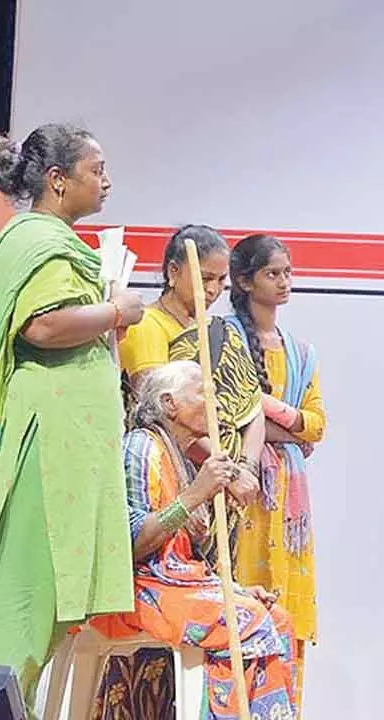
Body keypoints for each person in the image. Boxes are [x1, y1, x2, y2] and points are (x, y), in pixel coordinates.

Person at [0, 123, 145, 708]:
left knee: (40, 608)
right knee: (22, 601)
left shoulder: (38, 239)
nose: (107, 181)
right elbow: (43, 325)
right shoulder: (38, 239)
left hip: (60, 450)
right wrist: (115, 311)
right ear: (58, 180)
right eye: (96, 170)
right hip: (42, 452)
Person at [91, 361, 298, 719]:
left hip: (176, 586)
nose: (215, 404)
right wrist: (196, 494)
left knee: (277, 618)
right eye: (204, 393)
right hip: (137, 589)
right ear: (170, 404)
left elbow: (189, 562)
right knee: (244, 621)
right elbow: (133, 546)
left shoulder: (179, 457)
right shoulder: (141, 447)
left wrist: (237, 589)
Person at [118, 225, 264, 558]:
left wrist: (246, 468)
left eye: (220, 281)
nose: (213, 290)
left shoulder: (220, 331)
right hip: (175, 479)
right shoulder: (148, 325)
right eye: (206, 278)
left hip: (229, 486)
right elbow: (166, 415)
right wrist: (226, 473)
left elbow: (252, 407)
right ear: (173, 271)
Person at [227, 234, 327, 699]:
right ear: (245, 281)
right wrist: (281, 424)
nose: (285, 281)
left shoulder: (301, 352)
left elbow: (317, 425)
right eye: (273, 273)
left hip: (288, 489)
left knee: (287, 603)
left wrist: (270, 412)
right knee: (240, 597)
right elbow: (228, 415)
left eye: (288, 272)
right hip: (239, 482)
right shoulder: (223, 338)